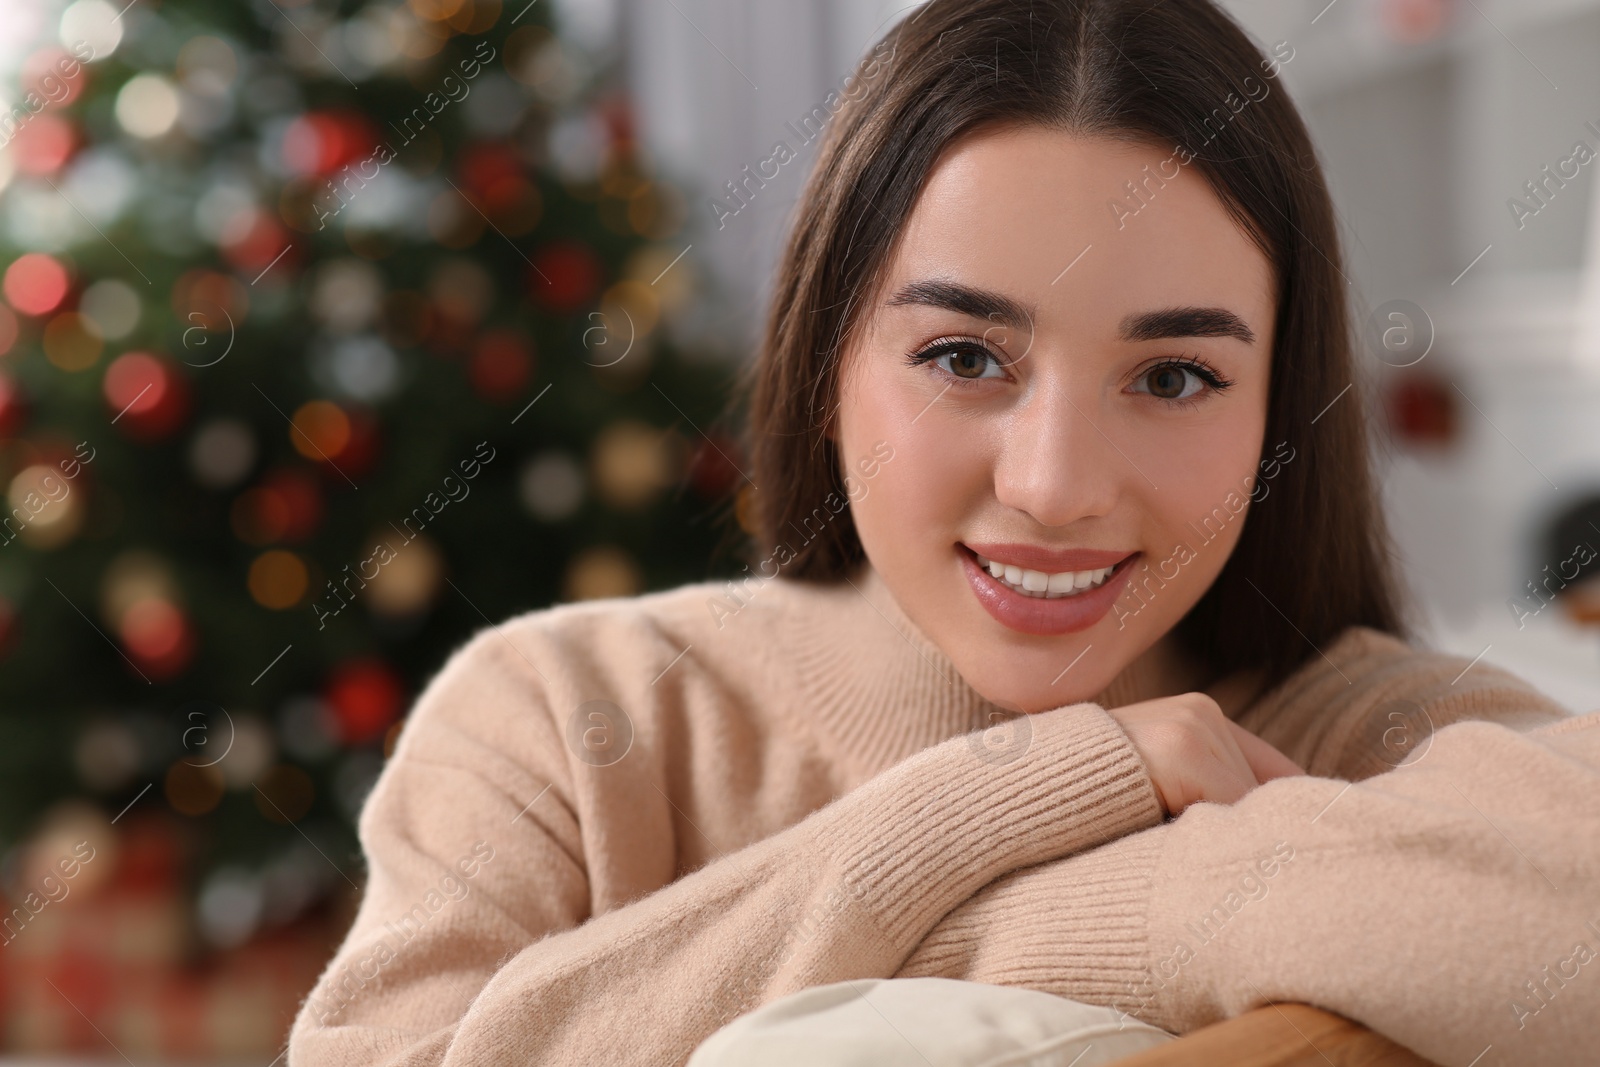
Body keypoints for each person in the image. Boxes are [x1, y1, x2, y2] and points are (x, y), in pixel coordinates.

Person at [285, 1, 1600, 1064]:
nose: (1055, 484)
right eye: (966, 355)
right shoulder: (570, 719)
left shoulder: (1357, 742)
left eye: (1178, 376)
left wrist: (1081, 914)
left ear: (1276, 410)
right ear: (826, 360)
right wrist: (1009, 799)